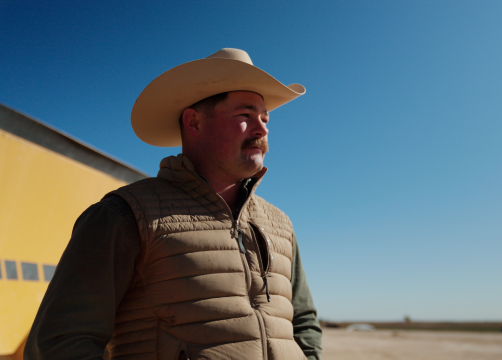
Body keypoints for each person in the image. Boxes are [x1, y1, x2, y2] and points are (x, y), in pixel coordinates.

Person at [24, 48, 322, 360]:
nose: (262, 129)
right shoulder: (126, 214)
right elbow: (57, 343)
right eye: (245, 116)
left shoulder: (279, 224)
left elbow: (302, 323)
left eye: (264, 118)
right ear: (194, 123)